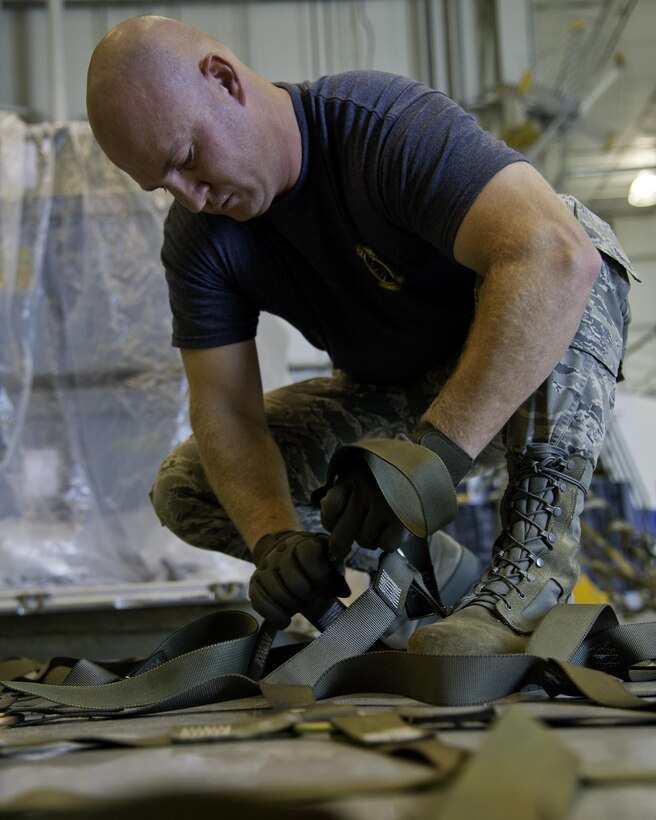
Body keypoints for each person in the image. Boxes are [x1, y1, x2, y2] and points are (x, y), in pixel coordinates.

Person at [86, 15, 634, 655]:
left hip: (521, 370)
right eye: (164, 185)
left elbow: (555, 257)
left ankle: (531, 578)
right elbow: (225, 408)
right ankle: (435, 573)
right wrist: (276, 541)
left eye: (186, 159)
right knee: (187, 482)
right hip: (398, 398)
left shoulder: (378, 124)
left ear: (223, 79)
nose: (191, 197)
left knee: (567, 237)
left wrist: (427, 463)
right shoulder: (199, 238)